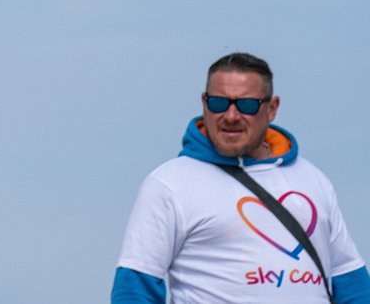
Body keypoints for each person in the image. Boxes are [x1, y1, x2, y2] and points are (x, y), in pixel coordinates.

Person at [112, 52, 370, 303]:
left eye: (246, 105)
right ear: (204, 103)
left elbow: (351, 282)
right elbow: (135, 289)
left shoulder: (313, 179)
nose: (231, 116)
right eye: (219, 103)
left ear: (272, 108)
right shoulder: (170, 184)